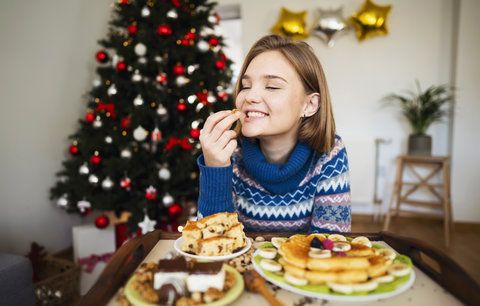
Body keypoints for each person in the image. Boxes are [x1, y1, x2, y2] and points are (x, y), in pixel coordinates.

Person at [197, 34, 351, 233]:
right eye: (245, 86)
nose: (250, 97)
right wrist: (216, 169)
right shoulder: (228, 154)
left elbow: (332, 247)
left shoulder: (330, 153)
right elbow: (212, 242)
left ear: (310, 104)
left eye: (272, 86)